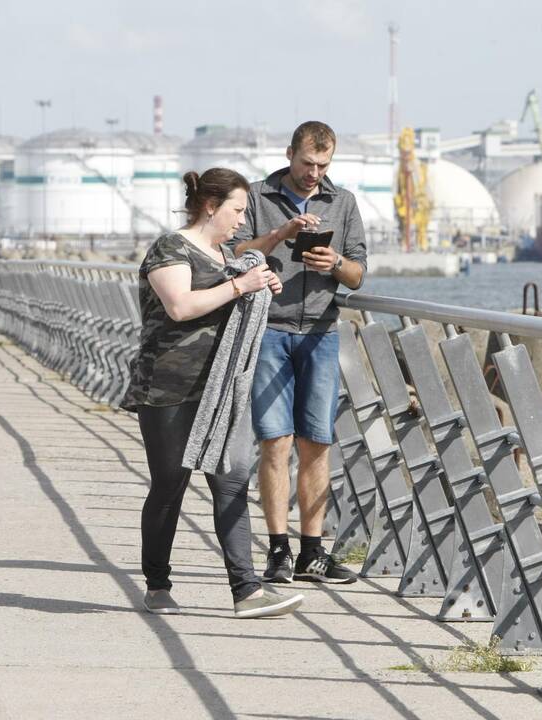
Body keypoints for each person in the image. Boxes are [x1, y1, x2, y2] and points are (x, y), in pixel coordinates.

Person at [120, 168, 303, 619]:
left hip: (220, 390)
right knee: (169, 485)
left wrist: (259, 287)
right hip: (167, 387)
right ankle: (157, 585)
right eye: (238, 211)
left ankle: (247, 591)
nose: (242, 221)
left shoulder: (225, 254)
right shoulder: (171, 248)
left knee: (231, 481)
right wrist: (240, 286)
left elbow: (231, 298)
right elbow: (180, 306)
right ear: (210, 206)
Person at [230, 121, 368, 585]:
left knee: (317, 442)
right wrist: (280, 234)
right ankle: (277, 550)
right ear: (289, 153)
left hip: (322, 332)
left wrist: (336, 264)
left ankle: (312, 551)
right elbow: (233, 253)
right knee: (275, 442)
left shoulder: (343, 202)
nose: (314, 173)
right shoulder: (256, 196)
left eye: (323, 165)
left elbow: (358, 274)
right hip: (268, 330)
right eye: (307, 163)